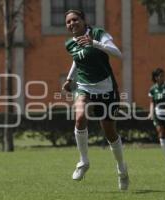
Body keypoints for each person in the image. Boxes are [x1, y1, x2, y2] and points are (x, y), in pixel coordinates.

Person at [62, 9, 129, 190]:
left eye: (75, 19)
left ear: (84, 21)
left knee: (109, 131)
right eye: (68, 22)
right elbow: (78, 59)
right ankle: (83, 162)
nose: (72, 24)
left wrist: (95, 43)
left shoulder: (98, 33)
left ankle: (122, 168)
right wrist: (69, 79)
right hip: (84, 86)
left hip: (106, 88)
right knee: (80, 117)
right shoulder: (69, 44)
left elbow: (118, 54)